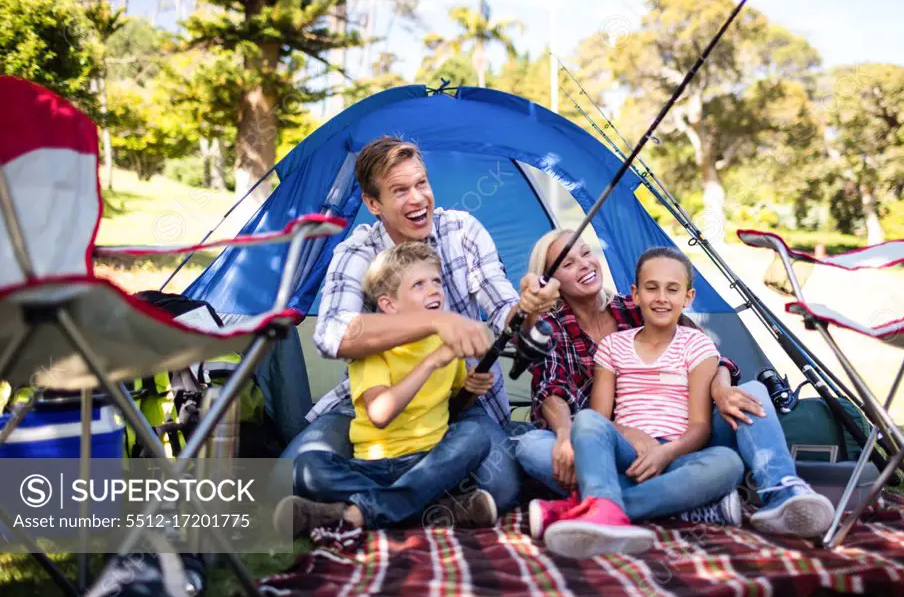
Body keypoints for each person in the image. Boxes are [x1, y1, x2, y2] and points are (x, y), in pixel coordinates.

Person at [282, 135, 560, 517]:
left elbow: (504, 311)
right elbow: (334, 335)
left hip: (459, 404)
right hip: (382, 404)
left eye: (421, 184)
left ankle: (358, 508)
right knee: (292, 472)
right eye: (400, 190)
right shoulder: (357, 252)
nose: (417, 199)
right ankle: (441, 504)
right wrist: (434, 320)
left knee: (502, 485)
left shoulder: (462, 231)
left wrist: (529, 306)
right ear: (372, 203)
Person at [516, 230, 835, 540]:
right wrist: (567, 434)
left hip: (681, 443)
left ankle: (779, 489)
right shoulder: (556, 329)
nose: (584, 264)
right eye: (568, 263)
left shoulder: (638, 306)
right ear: (550, 282)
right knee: (531, 447)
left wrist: (720, 389)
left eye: (586, 253)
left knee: (741, 422)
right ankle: (691, 505)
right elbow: (551, 389)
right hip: (608, 446)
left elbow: (713, 359)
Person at [275, 242, 499, 535]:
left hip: (430, 461)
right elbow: (380, 413)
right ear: (389, 305)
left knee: (475, 435)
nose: (433, 290)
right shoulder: (373, 349)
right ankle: (437, 509)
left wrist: (471, 388)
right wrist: (431, 362)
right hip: (375, 466)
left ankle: (349, 514)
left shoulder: (447, 342)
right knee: (305, 466)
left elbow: (455, 405)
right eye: (418, 284)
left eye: (436, 282)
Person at [535, 247, 745, 558]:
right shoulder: (606, 344)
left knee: (728, 464)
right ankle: (685, 506)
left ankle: (595, 509)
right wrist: (626, 435)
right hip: (622, 450)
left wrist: (665, 453)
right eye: (568, 263)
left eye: (671, 290)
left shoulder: (694, 341)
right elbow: (596, 418)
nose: (660, 297)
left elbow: (701, 422)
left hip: (677, 452)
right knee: (554, 437)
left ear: (687, 297)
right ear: (636, 294)